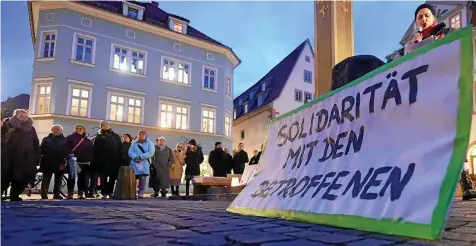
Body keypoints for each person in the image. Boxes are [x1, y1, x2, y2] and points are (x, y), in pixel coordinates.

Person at [2, 109, 40, 201]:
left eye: (25, 117)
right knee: (4, 176)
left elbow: (35, 143)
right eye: (21, 116)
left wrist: (36, 156)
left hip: (26, 157)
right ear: (15, 116)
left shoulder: (31, 129)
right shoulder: (7, 125)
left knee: (23, 177)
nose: (23, 118)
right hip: (8, 156)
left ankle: (15, 195)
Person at [91, 120, 122, 199]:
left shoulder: (116, 136)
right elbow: (95, 149)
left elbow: (120, 148)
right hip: (102, 161)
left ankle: (110, 192)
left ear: (109, 125)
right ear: (101, 126)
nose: (105, 126)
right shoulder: (99, 136)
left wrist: (120, 159)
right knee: (103, 178)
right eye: (103, 125)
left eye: (106, 124)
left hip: (114, 161)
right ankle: (103, 192)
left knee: (112, 178)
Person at [39, 125, 68, 200]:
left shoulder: (65, 140)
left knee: (59, 180)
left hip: (60, 162)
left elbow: (67, 151)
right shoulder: (46, 139)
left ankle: (57, 194)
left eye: (57, 129)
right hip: (47, 161)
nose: (56, 130)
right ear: (51, 130)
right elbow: (41, 149)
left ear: (61, 131)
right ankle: (44, 194)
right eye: (54, 129)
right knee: (46, 179)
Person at [65, 124, 93, 199]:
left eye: (80, 128)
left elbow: (91, 150)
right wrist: (69, 153)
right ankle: (70, 193)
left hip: (84, 162)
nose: (78, 129)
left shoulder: (87, 140)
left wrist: (89, 158)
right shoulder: (70, 138)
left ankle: (80, 194)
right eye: (77, 128)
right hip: (73, 160)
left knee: (82, 179)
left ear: (84, 130)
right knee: (72, 178)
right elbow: (65, 147)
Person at [128, 130, 154, 199]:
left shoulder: (149, 143)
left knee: (142, 179)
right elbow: (130, 151)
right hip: (134, 163)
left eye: (143, 134)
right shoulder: (134, 143)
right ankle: (132, 192)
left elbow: (151, 153)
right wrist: (135, 157)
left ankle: (141, 193)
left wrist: (141, 157)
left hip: (144, 164)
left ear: (146, 135)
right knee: (133, 179)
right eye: (140, 134)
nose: (141, 135)